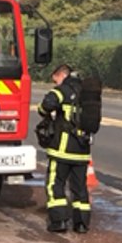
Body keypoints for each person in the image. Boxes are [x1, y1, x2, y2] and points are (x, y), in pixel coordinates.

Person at [38, 63, 93, 233]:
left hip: (62, 150)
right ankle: (82, 224)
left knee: (55, 184)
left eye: (55, 79)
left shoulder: (62, 90)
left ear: (61, 75)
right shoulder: (87, 94)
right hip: (82, 151)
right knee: (80, 188)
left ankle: (59, 221)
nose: (55, 83)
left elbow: (44, 106)